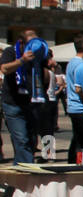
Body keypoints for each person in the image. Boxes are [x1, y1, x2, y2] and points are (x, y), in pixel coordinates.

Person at [1, 29, 51, 164]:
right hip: (13, 103)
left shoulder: (38, 55)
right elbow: (4, 69)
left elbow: (45, 78)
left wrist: (45, 66)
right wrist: (22, 60)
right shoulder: (11, 52)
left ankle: (19, 169)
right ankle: (28, 170)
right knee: (21, 139)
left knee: (31, 140)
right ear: (22, 43)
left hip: (33, 102)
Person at [63, 34, 83, 163]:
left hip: (73, 107)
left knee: (76, 139)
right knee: (82, 142)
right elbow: (80, 88)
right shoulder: (81, 64)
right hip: (80, 107)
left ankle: (72, 162)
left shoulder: (71, 62)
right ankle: (80, 164)